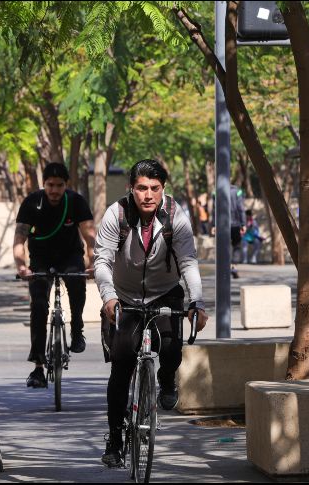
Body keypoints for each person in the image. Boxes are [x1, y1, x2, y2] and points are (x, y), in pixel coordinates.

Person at [94, 159, 208, 468]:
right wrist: (108, 297)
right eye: (141, 188)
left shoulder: (175, 216)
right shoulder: (116, 215)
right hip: (124, 296)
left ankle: (167, 379)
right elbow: (102, 260)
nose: (148, 195)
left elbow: (188, 261)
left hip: (164, 292)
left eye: (154, 189)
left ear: (163, 189)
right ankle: (115, 441)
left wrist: (197, 302)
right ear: (131, 188)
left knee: (171, 349)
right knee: (121, 369)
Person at [14, 162, 96, 389]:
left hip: (70, 256)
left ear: (66, 185)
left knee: (77, 283)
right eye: (50, 185)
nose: (54, 190)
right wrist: (22, 267)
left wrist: (93, 264)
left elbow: (90, 237)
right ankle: (38, 367)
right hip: (40, 259)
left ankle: (77, 329)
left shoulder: (76, 202)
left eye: (59, 185)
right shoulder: (32, 203)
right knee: (39, 306)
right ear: (44, 184)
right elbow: (19, 239)